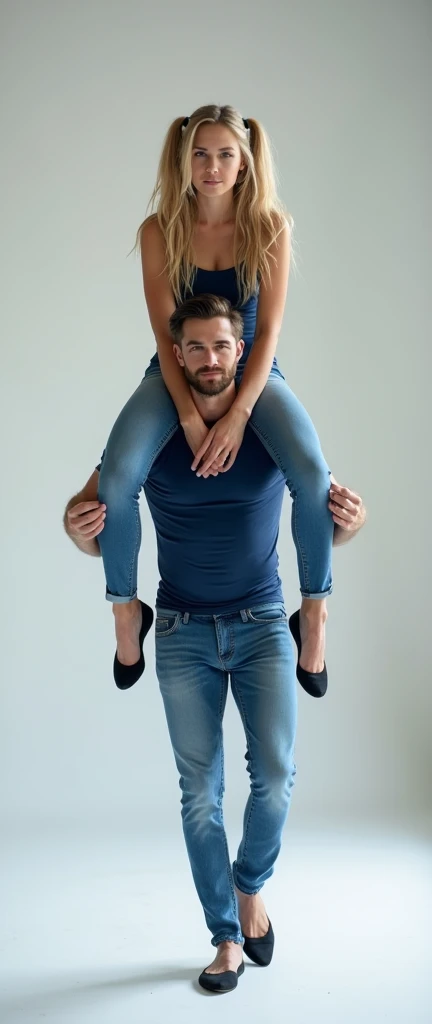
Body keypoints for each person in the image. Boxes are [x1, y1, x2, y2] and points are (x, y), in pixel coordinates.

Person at [64, 296, 366, 994]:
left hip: (264, 623)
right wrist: (78, 528)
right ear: (175, 355)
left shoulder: (268, 426)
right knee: (201, 793)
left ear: (243, 350)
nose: (208, 359)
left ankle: (248, 886)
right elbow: (90, 518)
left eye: (221, 347)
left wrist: (354, 521)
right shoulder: (151, 433)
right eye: (194, 347)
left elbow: (325, 515)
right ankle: (226, 937)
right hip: (178, 632)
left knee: (277, 775)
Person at [96, 103, 337, 694]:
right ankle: (127, 612)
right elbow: (162, 333)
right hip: (173, 370)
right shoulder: (159, 230)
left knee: (310, 473)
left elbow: (270, 333)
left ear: (246, 162)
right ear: (183, 160)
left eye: (225, 154)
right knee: (118, 476)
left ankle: (314, 612)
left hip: (255, 371)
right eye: (200, 154)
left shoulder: (270, 226)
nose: (212, 166)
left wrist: (238, 416)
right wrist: (189, 415)